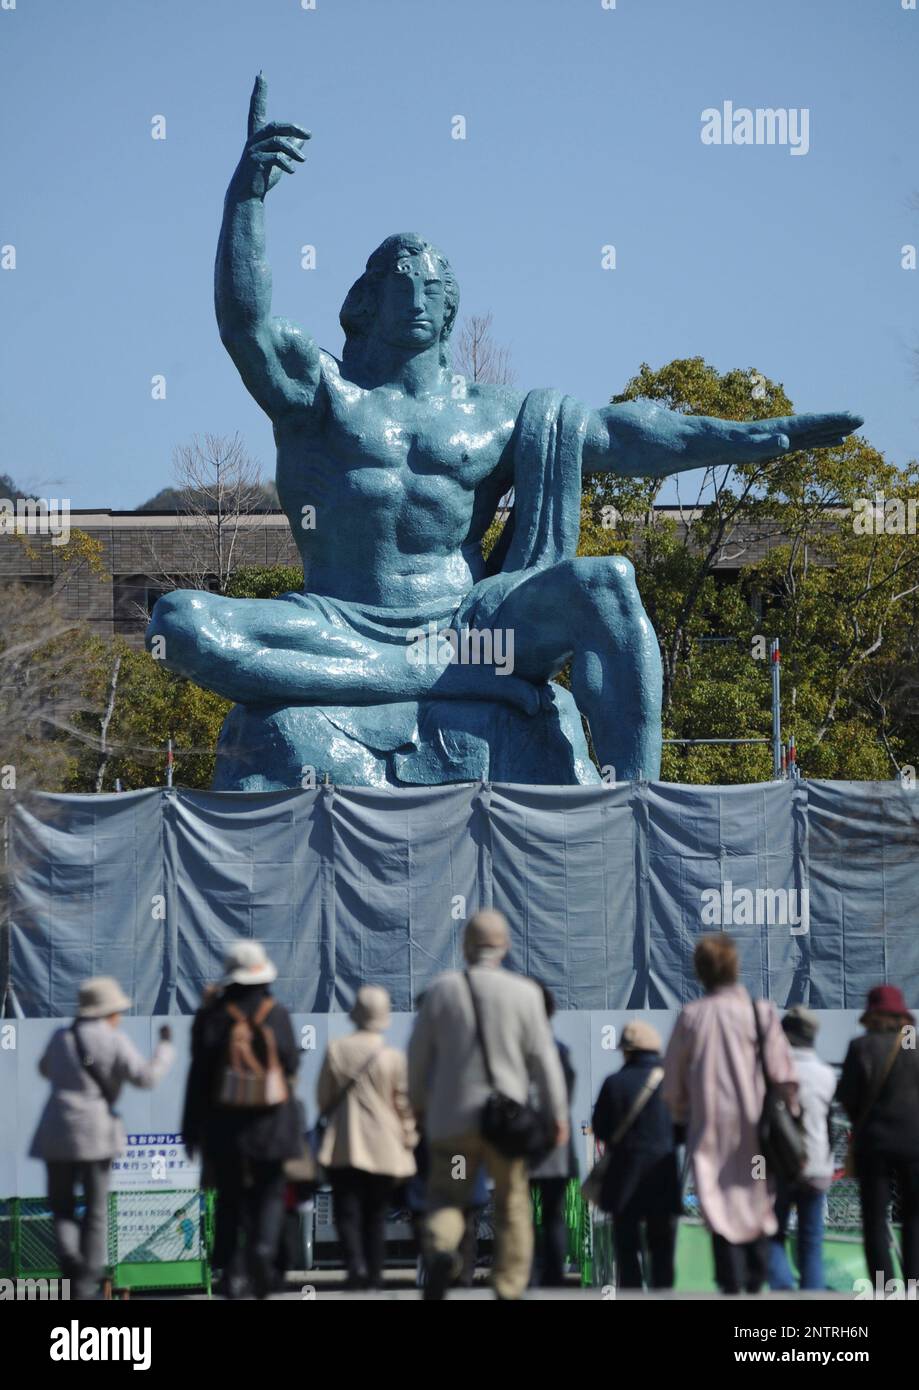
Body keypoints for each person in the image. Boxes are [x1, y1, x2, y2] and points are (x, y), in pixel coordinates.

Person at [407, 909, 569, 1301]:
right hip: (505, 1125)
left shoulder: (441, 991)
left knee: (450, 1194)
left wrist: (419, 1108)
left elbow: (417, 1059)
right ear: (506, 946)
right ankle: (509, 1285)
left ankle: (443, 1251)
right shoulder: (525, 993)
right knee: (511, 1201)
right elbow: (545, 1064)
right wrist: (556, 1115)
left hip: (455, 1125)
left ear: (464, 946)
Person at [662, 934, 798, 1295]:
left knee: (719, 1210)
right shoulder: (762, 1012)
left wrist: (681, 1115)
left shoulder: (691, 1018)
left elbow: (672, 1088)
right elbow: (785, 1077)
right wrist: (792, 1115)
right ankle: (755, 1281)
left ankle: (731, 1283)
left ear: (700, 971)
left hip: (709, 1132)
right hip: (757, 1132)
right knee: (757, 1206)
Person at [29, 976, 174, 1300]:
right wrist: (165, 1048)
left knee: (62, 1207)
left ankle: (70, 1258)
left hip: (56, 1133)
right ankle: (87, 1280)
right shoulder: (113, 1040)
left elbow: (43, 1069)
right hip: (96, 1134)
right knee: (95, 1210)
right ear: (108, 1012)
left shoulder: (60, 1037)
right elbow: (146, 1078)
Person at [182, 942, 301, 1299]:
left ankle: (232, 1273)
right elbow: (291, 1064)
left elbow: (198, 1076)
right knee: (269, 1195)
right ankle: (264, 1253)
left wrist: (191, 1131)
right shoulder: (275, 1012)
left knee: (231, 1199)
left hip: (225, 1128)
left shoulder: (214, 1015)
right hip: (272, 1126)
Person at [317, 985, 417, 1290]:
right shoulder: (393, 1057)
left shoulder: (336, 1049)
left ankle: (355, 1267)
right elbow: (403, 1104)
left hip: (344, 1144)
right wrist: (410, 1136)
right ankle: (374, 1274)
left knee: (346, 1212)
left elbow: (323, 1099)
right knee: (376, 1215)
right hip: (385, 1147)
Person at [837, 984, 919, 1287]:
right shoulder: (913, 1045)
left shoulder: (861, 1046)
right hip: (914, 1145)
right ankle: (914, 1287)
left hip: (874, 1145)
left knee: (874, 1221)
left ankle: (885, 1289)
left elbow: (847, 1096)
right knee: (913, 1218)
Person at [591, 1019, 681, 1290]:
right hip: (662, 1175)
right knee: (661, 1247)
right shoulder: (672, 1083)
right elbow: (684, 1129)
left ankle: (632, 1295)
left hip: (623, 1176)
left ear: (627, 1051)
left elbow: (601, 1129)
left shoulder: (614, 1082)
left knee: (626, 1247)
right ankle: (663, 1294)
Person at [767, 1006, 836, 1290]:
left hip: (778, 1167)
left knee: (772, 1237)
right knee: (811, 1243)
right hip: (817, 1168)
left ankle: (783, 1291)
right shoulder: (826, 1074)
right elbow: (830, 1125)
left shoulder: (771, 1073)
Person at [529, 983, 578, 1288]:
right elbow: (567, 1094)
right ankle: (554, 1276)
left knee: (519, 1213)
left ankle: (528, 1272)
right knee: (553, 1214)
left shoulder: (516, 1048)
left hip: (521, 1141)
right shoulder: (560, 1050)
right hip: (556, 1145)